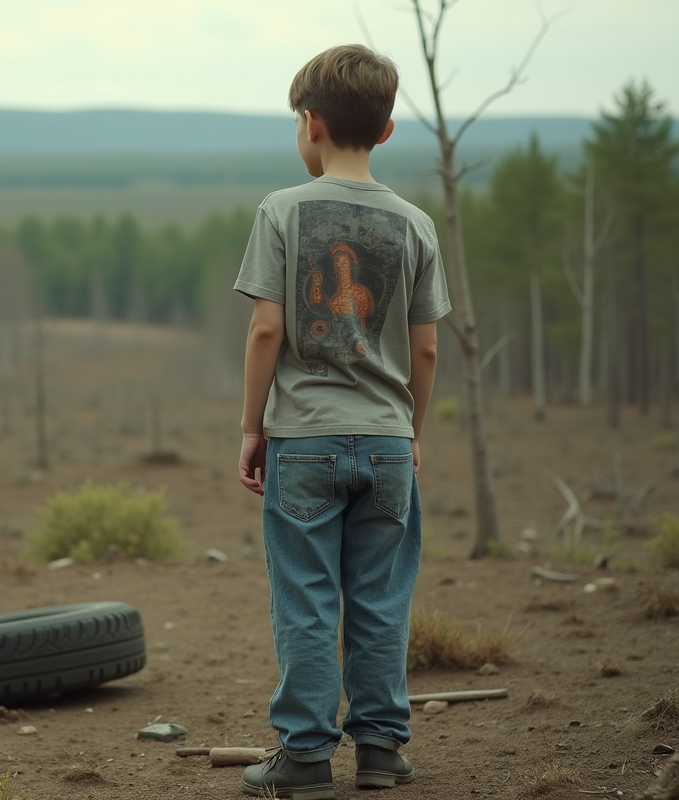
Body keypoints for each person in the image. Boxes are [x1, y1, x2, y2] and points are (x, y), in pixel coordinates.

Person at [234, 43, 450, 799]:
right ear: (386, 131)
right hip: (388, 441)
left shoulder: (281, 210)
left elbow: (267, 329)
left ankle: (304, 758)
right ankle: (382, 751)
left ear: (310, 123)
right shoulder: (417, 224)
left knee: (306, 600)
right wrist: (410, 433)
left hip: (304, 440)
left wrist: (252, 427)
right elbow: (427, 347)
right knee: (382, 600)